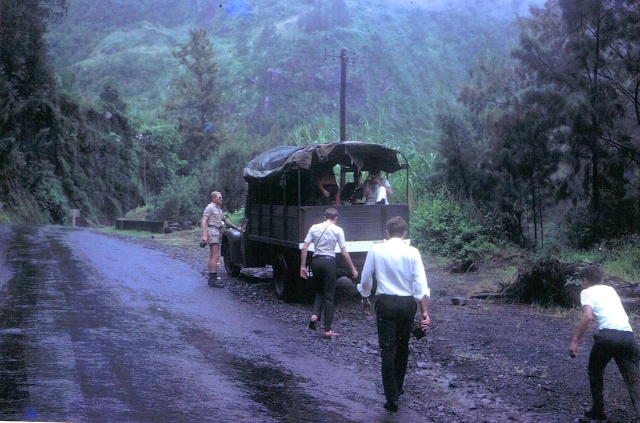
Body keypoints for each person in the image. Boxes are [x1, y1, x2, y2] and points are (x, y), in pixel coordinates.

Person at [357, 216, 430, 412]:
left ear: (387, 233)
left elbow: (366, 278)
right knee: (403, 345)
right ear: (404, 233)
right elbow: (420, 283)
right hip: (407, 304)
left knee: (387, 348)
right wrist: (424, 312)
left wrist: (365, 297)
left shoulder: (376, 249)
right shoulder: (413, 252)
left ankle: (391, 396)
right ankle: (398, 387)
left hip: (386, 304)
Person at [568, 265, 640, 421]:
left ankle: (598, 411)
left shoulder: (586, 292)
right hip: (628, 336)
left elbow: (587, 317)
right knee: (633, 377)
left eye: (581, 281)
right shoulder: (610, 289)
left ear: (585, 280)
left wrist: (574, 341)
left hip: (608, 336)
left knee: (595, 371)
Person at [300, 208, 358, 338]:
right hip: (329, 262)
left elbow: (305, 247)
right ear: (336, 218)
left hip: (316, 262)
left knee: (319, 292)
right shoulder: (338, 230)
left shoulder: (314, 227)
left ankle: (315, 316)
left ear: (325, 216)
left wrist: (302, 266)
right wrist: (353, 268)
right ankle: (327, 329)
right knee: (329, 295)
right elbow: (343, 252)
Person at [201, 191, 244, 288]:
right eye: (219, 197)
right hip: (213, 232)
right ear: (214, 198)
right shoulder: (210, 208)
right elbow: (204, 221)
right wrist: (204, 234)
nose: (221, 199)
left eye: (221, 197)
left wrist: (236, 228)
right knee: (215, 256)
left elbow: (225, 221)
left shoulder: (218, 209)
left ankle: (211, 277)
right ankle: (213, 278)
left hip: (216, 231)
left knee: (212, 255)